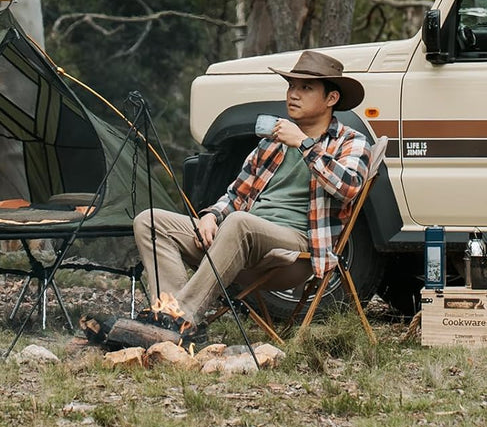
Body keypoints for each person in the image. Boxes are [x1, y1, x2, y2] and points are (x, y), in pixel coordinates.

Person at [131, 50, 372, 343]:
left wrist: (304, 144)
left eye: (305, 88)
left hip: (294, 250)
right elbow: (235, 194)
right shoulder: (270, 144)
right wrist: (211, 215)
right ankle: (169, 316)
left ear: (331, 99)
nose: (293, 95)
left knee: (239, 222)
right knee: (151, 221)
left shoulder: (351, 141)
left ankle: (183, 317)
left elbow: (348, 187)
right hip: (238, 243)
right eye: (291, 86)